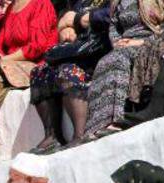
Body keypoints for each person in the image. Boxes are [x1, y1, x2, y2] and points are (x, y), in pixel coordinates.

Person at [0, 0, 57, 157]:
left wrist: (1, 60)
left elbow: (36, 47)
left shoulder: (41, 4)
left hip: (35, 65)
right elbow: (1, 47)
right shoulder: (10, 9)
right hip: (10, 63)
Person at [84, 0, 164, 138]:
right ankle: (98, 125)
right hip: (126, 43)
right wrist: (118, 42)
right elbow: (114, 27)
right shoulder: (118, 3)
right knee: (105, 62)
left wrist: (143, 42)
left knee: (119, 61)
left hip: (153, 42)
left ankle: (117, 120)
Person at [29, 0, 110, 151]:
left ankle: (79, 134)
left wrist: (80, 19)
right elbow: (66, 21)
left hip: (100, 52)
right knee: (40, 73)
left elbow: (109, 16)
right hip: (80, 51)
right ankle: (52, 135)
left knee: (68, 72)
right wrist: (66, 30)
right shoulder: (82, 2)